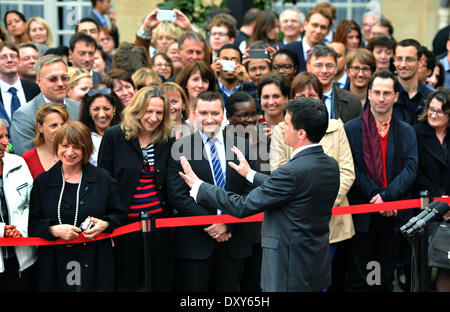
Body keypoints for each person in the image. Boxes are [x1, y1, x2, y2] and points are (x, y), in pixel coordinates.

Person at [178, 97, 340, 291]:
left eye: (286, 124)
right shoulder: (329, 164)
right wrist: (251, 174)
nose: (281, 127)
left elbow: (242, 206)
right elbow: (292, 189)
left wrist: (201, 187)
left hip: (288, 267)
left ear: (301, 133)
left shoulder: (291, 172)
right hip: (314, 261)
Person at [167, 91, 254, 292]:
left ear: (223, 114)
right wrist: (210, 223)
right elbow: (177, 195)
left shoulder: (242, 146)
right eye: (203, 113)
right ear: (193, 114)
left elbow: (251, 189)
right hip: (195, 243)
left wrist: (227, 222)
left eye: (215, 113)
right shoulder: (179, 148)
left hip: (234, 241)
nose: (209, 119)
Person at [28, 120, 127, 291]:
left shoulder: (103, 179)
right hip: (55, 262)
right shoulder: (42, 182)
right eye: (64, 145)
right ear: (57, 146)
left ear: (86, 149)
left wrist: (106, 224)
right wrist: (53, 230)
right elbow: (33, 224)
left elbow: (119, 214)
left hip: (95, 259)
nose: (69, 152)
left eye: (76, 147)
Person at [344, 69, 418, 292]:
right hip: (364, 215)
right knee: (361, 278)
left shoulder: (406, 131)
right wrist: (376, 196)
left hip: (393, 215)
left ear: (396, 96)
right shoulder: (352, 129)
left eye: (387, 93)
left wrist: (387, 197)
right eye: (376, 92)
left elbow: (410, 169)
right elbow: (352, 170)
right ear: (369, 93)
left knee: (383, 278)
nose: (381, 98)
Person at [98, 86, 174, 291]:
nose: (153, 117)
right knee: (128, 281)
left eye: (159, 112)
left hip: (159, 222)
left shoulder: (167, 139)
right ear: (137, 109)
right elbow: (103, 180)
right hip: (125, 223)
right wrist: (109, 225)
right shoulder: (115, 135)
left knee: (158, 280)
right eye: (148, 111)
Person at [413, 90, 450, 292]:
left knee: (446, 266)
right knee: (421, 267)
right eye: (431, 110)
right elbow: (415, 173)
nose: (433, 115)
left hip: (449, 212)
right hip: (424, 209)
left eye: (440, 112)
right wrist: (441, 201)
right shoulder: (417, 132)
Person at [10, 54, 80, 156]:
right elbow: (27, 157)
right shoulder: (24, 116)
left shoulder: (79, 108)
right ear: (39, 81)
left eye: (64, 77)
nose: (60, 83)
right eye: (53, 79)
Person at [0, 118, 37, 292]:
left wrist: (19, 230)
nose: (5, 142)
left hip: (22, 256)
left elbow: (32, 202)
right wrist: (3, 231)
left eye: (6, 136)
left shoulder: (17, 162)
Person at [306, 44, 362, 123]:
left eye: (329, 66)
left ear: (336, 68)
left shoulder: (352, 101)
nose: (324, 71)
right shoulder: (298, 98)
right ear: (308, 67)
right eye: (318, 65)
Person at [0, 41, 41, 129]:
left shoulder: (34, 89)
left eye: (13, 56)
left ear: (19, 60)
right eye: (3, 57)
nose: (9, 60)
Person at [79, 85, 123, 166]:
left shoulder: (126, 134)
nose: (102, 114)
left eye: (106, 108)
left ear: (114, 109)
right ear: (89, 110)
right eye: (96, 109)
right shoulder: (81, 137)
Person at [22, 104, 69, 179]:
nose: (60, 130)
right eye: (54, 126)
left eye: (63, 125)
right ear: (40, 127)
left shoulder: (74, 153)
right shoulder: (28, 158)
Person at [393, 39, 433, 125]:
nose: (403, 65)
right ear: (394, 60)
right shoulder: (385, 95)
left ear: (421, 62)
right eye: (399, 59)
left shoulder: (430, 98)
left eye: (409, 59)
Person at [175, 61, 216, 125]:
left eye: (205, 81)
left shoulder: (218, 111)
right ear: (185, 83)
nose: (200, 85)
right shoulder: (175, 109)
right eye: (195, 79)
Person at [258, 74, 289, 138]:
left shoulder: (295, 128)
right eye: (266, 97)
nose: (271, 102)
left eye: (276, 96)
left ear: (286, 98)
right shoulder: (252, 125)